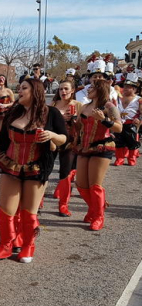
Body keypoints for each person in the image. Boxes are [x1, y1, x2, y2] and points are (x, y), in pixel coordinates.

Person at [0, 78, 67, 263]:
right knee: (6, 210)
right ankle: (5, 246)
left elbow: (65, 138)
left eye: (24, 88)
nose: (19, 91)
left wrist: (52, 135)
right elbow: (2, 141)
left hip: (37, 167)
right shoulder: (13, 112)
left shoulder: (51, 113)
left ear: (35, 91)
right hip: (10, 164)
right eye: (19, 88)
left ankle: (28, 246)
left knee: (28, 212)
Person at [74, 79, 122, 231]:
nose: (88, 89)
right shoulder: (85, 107)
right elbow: (79, 127)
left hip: (102, 147)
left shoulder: (109, 107)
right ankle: (96, 207)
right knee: (81, 185)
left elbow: (119, 128)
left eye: (92, 87)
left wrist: (104, 120)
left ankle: (98, 216)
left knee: (94, 185)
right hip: (84, 147)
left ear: (100, 89)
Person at [50, 79, 82, 216]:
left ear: (72, 90)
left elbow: (82, 127)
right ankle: (37, 203)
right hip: (52, 141)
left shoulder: (78, 105)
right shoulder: (53, 105)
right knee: (45, 170)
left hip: (70, 142)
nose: (63, 91)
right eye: (60, 89)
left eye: (66, 89)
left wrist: (75, 119)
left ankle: (63, 205)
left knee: (66, 173)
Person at [113, 73, 141, 166]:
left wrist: (139, 119)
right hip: (119, 123)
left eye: (128, 87)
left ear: (134, 88)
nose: (125, 88)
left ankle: (131, 158)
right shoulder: (118, 97)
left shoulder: (139, 99)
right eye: (125, 86)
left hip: (131, 124)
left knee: (132, 142)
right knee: (119, 141)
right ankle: (119, 159)